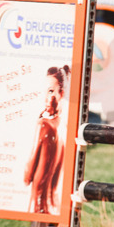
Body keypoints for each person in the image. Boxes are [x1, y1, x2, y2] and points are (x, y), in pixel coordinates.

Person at [24, 65, 67, 215]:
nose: (46, 97)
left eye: (50, 91)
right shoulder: (60, 126)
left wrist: (27, 176)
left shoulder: (44, 125)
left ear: (61, 93)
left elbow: (31, 161)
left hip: (39, 195)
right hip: (52, 199)